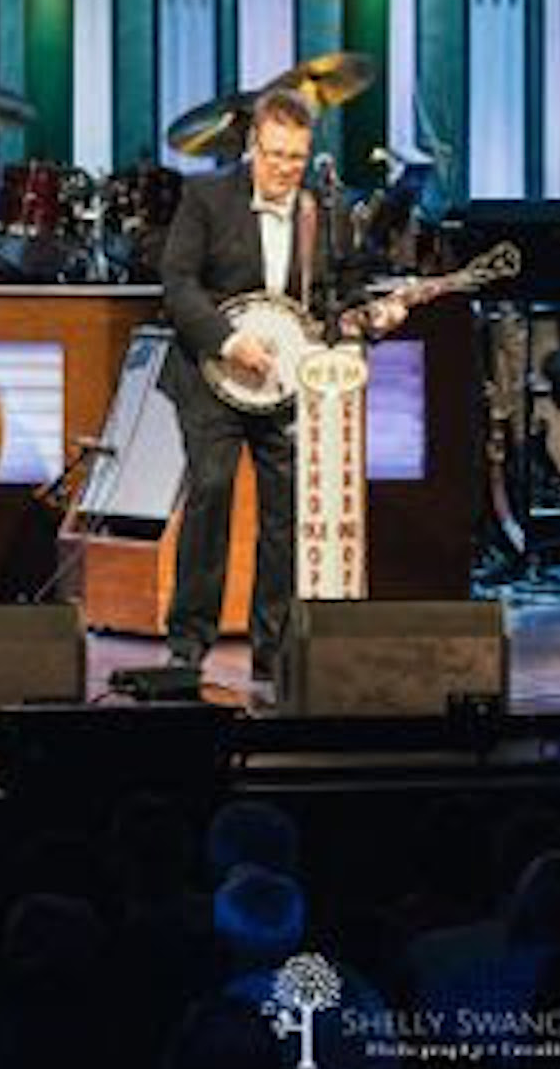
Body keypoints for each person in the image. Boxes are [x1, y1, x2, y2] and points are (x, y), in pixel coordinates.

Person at [157, 88, 403, 693]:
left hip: (285, 384)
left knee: (285, 511)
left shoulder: (322, 212)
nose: (283, 168)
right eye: (273, 155)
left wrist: (371, 317)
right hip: (213, 377)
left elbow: (340, 296)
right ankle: (188, 646)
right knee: (211, 492)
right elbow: (177, 282)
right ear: (252, 146)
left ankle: (273, 651)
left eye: (295, 157)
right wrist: (225, 340)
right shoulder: (205, 197)